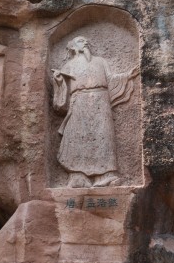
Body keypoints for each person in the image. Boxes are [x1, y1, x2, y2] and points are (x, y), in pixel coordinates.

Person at [51, 36, 138, 188]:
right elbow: (63, 87)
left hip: (101, 99)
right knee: (77, 136)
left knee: (103, 134)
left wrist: (127, 75)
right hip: (79, 101)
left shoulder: (100, 61)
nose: (85, 42)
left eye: (86, 41)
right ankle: (78, 176)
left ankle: (107, 175)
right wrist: (58, 80)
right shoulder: (69, 66)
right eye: (80, 41)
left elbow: (111, 79)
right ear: (73, 47)